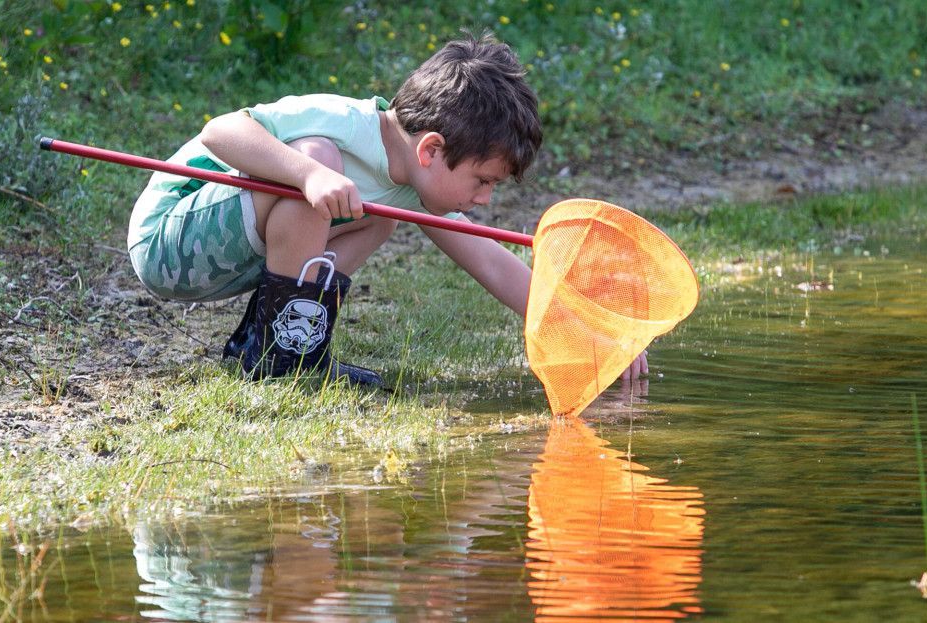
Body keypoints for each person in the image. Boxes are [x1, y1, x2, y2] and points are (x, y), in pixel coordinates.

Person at [127, 34, 648, 387]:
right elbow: (220, 131)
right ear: (431, 150)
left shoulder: (412, 184)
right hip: (171, 238)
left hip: (232, 254)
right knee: (318, 161)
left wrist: (583, 331)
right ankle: (281, 360)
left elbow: (490, 260)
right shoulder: (345, 122)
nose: (485, 198)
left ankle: (272, 344)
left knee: (381, 212)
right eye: (483, 181)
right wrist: (311, 175)